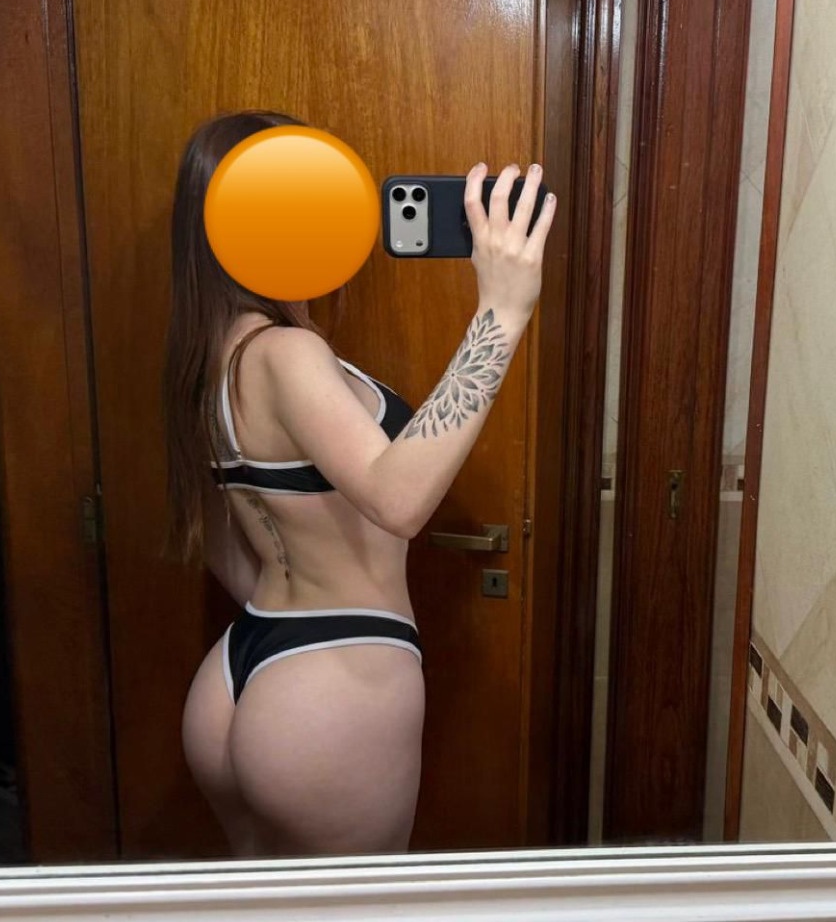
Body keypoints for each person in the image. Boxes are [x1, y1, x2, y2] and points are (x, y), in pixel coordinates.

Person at [164, 110, 557, 857]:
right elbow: (397, 500)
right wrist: (502, 311)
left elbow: (219, 542)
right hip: (333, 682)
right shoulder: (287, 354)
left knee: (266, 908)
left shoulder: (210, 359)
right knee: (360, 908)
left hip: (242, 667)